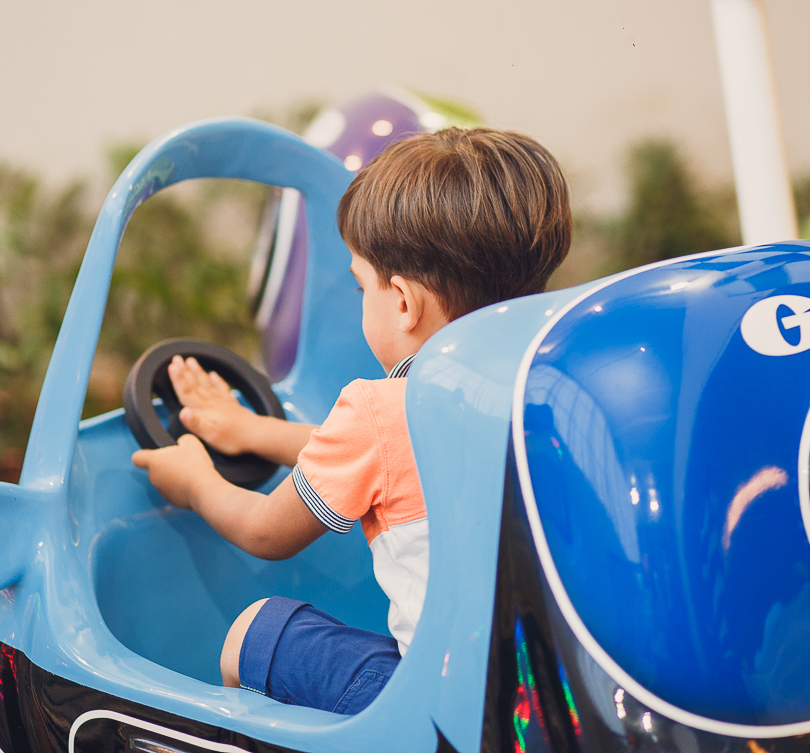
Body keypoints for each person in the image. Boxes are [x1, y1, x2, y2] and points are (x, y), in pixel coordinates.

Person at [131, 127, 572, 715]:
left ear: (403, 302)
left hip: (445, 713)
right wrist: (249, 431)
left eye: (361, 285)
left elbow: (267, 532)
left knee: (255, 633)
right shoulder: (548, 383)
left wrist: (195, 481)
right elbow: (394, 457)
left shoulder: (379, 408)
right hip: (551, 699)